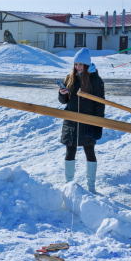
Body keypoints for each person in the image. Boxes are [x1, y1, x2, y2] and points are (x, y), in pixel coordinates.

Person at [57, 48, 105, 193]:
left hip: (87, 122)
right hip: (71, 121)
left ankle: (91, 187)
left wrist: (98, 125)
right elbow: (64, 101)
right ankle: (69, 184)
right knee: (69, 152)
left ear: (87, 64)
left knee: (89, 152)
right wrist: (62, 94)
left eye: (81, 64)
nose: (78, 67)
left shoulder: (95, 80)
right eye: (76, 64)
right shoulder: (70, 77)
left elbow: (99, 104)